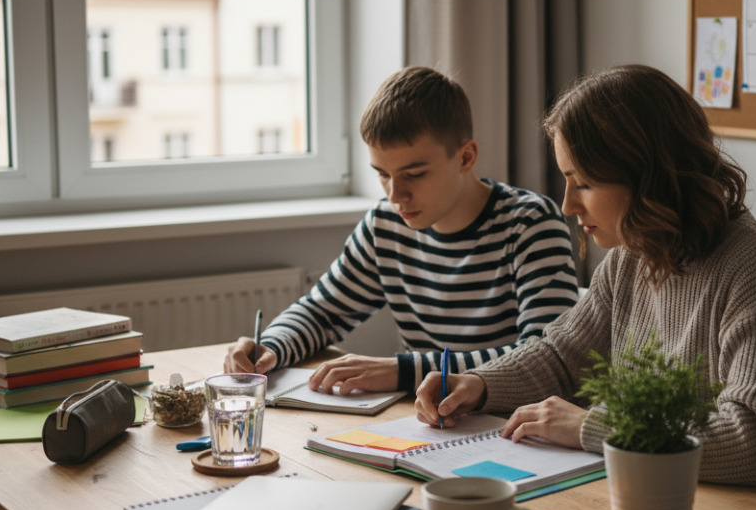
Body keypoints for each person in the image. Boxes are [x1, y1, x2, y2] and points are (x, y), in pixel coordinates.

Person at [415, 64, 756, 510]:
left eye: (584, 183)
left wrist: (589, 426)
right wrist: (479, 385)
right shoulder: (631, 259)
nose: (567, 205)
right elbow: (559, 355)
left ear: (648, 176)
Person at [225, 66, 580, 393]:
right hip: (425, 421)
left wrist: (402, 371)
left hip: (509, 422)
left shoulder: (530, 223)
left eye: (413, 174)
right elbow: (323, 311)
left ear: (465, 157)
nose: (396, 195)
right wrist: (270, 346)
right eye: (382, 174)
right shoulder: (386, 224)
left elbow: (544, 356)